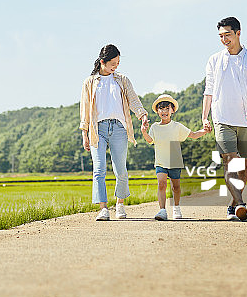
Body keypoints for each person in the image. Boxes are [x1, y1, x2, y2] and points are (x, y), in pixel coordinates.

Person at [201, 17, 247, 221]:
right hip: (222, 117)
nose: (224, 39)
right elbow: (208, 90)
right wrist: (205, 117)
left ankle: (233, 204)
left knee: (242, 166)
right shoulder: (214, 60)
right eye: (221, 36)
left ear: (238, 33)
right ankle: (240, 204)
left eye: (227, 35)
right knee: (230, 160)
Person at [80, 44, 149, 220]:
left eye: (118, 63)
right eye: (113, 63)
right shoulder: (90, 82)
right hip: (98, 129)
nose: (116, 66)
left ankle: (119, 204)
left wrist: (142, 115)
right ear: (102, 62)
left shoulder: (122, 79)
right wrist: (84, 134)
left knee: (121, 170)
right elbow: (85, 109)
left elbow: (133, 99)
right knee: (99, 170)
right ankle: (103, 208)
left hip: (119, 128)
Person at [141, 94, 208, 220]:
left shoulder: (177, 126)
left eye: (167, 108)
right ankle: (162, 210)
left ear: (172, 110)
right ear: (157, 111)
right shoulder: (155, 127)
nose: (164, 111)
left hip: (175, 161)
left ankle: (176, 208)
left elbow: (192, 135)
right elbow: (150, 140)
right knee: (161, 184)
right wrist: (144, 131)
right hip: (160, 162)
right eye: (161, 108)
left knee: (175, 187)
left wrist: (204, 131)